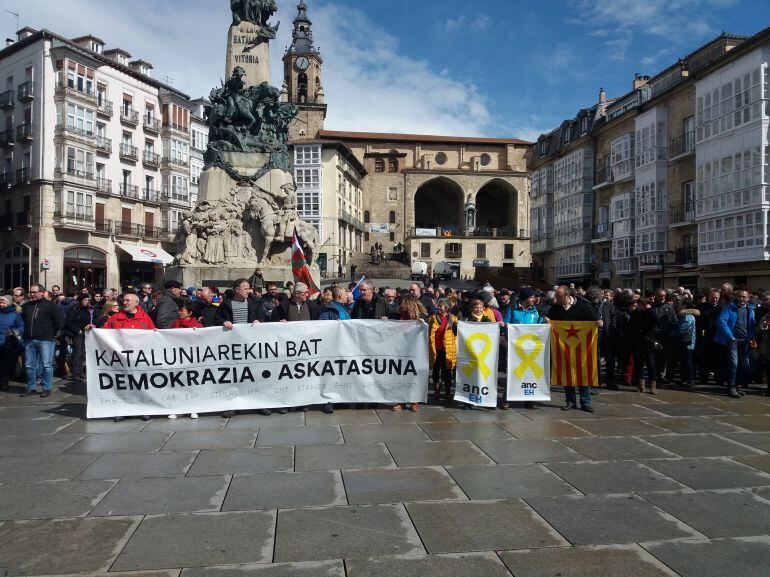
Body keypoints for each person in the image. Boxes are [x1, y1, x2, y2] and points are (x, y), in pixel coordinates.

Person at [103, 293, 155, 422]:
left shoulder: (145, 318)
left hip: (139, 357)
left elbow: (153, 335)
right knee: (123, 384)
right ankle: (123, 409)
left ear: (136, 303)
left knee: (141, 383)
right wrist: (92, 331)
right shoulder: (115, 318)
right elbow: (103, 333)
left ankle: (143, 409)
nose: (124, 302)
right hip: (121, 358)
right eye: (124, 300)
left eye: (127, 300)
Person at [546, 285, 599, 412]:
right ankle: (570, 401)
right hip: (564, 346)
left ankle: (585, 402)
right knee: (567, 373)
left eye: (559, 296)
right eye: (556, 296)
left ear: (567, 296)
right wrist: (548, 321)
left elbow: (594, 320)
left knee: (583, 372)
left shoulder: (583, 306)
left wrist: (598, 323)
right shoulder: (555, 309)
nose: (556, 298)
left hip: (581, 346)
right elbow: (551, 322)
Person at [20, 284, 62, 398]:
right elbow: (22, 320)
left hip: (46, 339)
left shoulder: (50, 305)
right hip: (30, 339)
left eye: (34, 292)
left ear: (42, 292)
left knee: (47, 365)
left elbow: (58, 320)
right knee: (29, 365)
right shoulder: (27, 306)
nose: (32, 294)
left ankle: (47, 388)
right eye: (31, 292)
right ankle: (31, 387)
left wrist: (52, 333)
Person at [715, 289, 756, 398]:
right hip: (733, 340)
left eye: (744, 297)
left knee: (741, 365)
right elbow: (721, 322)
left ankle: (736, 387)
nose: (742, 299)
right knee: (733, 364)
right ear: (736, 297)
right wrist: (730, 336)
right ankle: (731, 388)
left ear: (748, 298)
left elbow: (752, 325)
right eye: (740, 296)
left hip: (744, 341)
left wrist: (750, 337)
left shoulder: (750, 309)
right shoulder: (729, 308)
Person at [393, 294, 427, 412]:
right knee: (401, 375)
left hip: (416, 350)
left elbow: (428, 329)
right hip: (402, 348)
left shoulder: (422, 316)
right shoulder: (401, 314)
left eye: (404, 303)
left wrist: (423, 323)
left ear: (409, 304)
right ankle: (401, 401)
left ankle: (415, 401)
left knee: (414, 375)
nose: (402, 305)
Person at [428, 298, 457, 406]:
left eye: (441, 306)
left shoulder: (453, 319)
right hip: (436, 348)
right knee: (435, 371)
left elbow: (457, 333)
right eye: (438, 306)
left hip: (448, 349)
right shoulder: (433, 318)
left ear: (446, 307)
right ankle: (436, 391)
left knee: (447, 371)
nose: (439, 308)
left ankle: (448, 392)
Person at [63, 293, 95, 382]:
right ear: (81, 300)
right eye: (85, 300)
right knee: (78, 353)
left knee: (82, 354)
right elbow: (68, 322)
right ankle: (76, 374)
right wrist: (77, 330)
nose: (87, 302)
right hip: (77, 334)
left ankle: (80, 373)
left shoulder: (88, 309)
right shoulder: (73, 309)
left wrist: (90, 325)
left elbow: (89, 319)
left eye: (88, 300)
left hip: (86, 333)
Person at [671, 302, 699, 389]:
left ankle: (690, 380)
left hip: (688, 343)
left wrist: (671, 333)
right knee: (683, 362)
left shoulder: (688, 317)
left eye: (679, 305)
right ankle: (684, 380)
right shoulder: (682, 316)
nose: (676, 307)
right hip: (682, 342)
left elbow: (681, 330)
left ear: (684, 306)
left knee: (687, 362)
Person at [0, 294, 24, 390]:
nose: (1, 304)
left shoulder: (15, 314)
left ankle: (5, 381)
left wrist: (13, 332)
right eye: (0, 302)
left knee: (7, 364)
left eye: (3, 302)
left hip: (9, 343)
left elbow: (21, 327)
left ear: (9, 303)